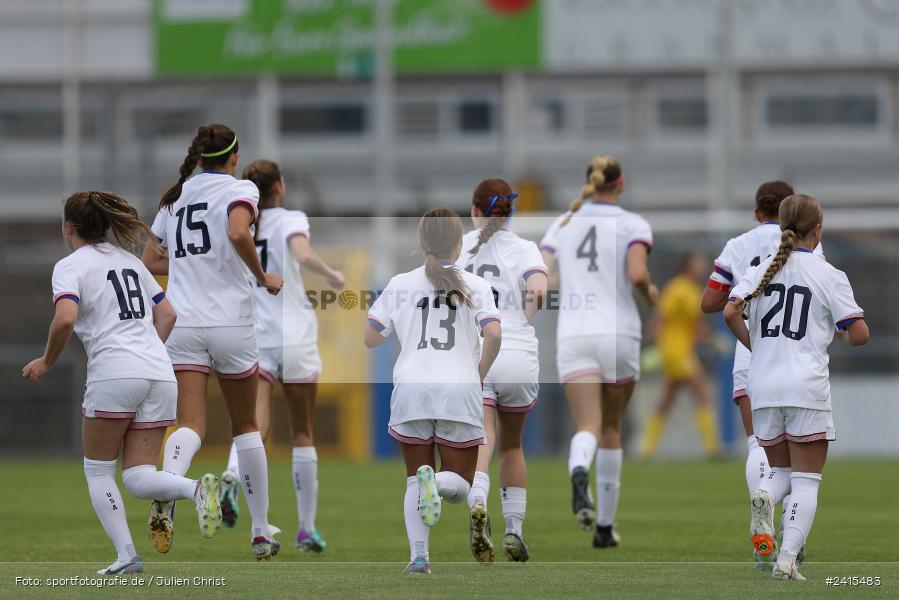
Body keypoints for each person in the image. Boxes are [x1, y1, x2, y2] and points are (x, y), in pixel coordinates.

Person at [23, 191, 221, 575]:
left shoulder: (69, 266)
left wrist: (47, 361)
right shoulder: (131, 261)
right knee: (137, 476)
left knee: (99, 471)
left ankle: (128, 556)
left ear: (69, 227)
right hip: (160, 372)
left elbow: (65, 319)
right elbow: (167, 313)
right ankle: (197, 489)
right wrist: (146, 352)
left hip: (114, 372)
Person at [141, 124, 284, 561]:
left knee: (189, 424)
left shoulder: (174, 197)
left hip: (183, 322)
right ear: (233, 157)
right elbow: (240, 232)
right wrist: (263, 278)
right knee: (246, 427)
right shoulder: (240, 189)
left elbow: (151, 260)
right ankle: (260, 531)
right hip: (231, 321)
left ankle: (167, 495)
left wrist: (188, 266)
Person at [723, 194, 867, 581]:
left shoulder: (762, 269)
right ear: (817, 230)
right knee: (807, 478)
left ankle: (766, 495)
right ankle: (786, 559)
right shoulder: (828, 274)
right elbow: (859, 333)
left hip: (763, 386)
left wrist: (756, 347)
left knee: (780, 469)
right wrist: (842, 337)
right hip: (806, 386)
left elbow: (728, 310)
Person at [364, 208, 502, 575]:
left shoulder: (400, 283)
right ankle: (436, 483)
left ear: (420, 242)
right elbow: (495, 334)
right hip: (459, 390)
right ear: (459, 246)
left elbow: (370, 338)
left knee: (414, 478)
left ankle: (419, 558)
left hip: (411, 389)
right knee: (460, 484)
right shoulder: (478, 286)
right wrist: (479, 373)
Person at [219, 159, 345, 553]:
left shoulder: (242, 225)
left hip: (254, 329)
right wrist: (331, 274)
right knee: (303, 430)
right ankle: (306, 529)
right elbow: (302, 253)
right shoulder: (291, 217)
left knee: (252, 421)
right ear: (280, 187)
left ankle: (231, 475)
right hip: (293, 331)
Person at [700, 180, 822, 568]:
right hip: (800, 360)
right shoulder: (812, 248)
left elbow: (711, 302)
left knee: (758, 445)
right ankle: (791, 538)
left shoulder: (738, 245)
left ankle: (762, 540)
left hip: (752, 351)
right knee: (801, 468)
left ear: (757, 213)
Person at [540, 154, 658, 549]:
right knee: (611, 427)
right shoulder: (632, 223)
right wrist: (651, 293)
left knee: (587, 426)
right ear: (619, 184)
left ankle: (578, 468)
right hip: (619, 332)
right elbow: (637, 273)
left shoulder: (564, 222)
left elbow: (541, 280)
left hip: (575, 333)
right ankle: (605, 528)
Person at [458, 179, 548, 564]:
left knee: (484, 437)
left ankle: (477, 501)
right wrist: (521, 320)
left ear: (474, 209)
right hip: (516, 349)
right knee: (513, 445)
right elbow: (540, 290)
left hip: (474, 349)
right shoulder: (525, 247)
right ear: (511, 211)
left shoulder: (457, 244)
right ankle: (514, 529)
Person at [642, 253, 718, 458]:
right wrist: (654, 342)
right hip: (676, 352)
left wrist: (713, 340)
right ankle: (713, 448)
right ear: (687, 266)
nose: (701, 267)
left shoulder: (693, 291)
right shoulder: (677, 288)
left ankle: (647, 449)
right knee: (702, 392)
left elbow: (694, 327)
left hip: (681, 351)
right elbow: (660, 315)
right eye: (697, 263)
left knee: (666, 400)